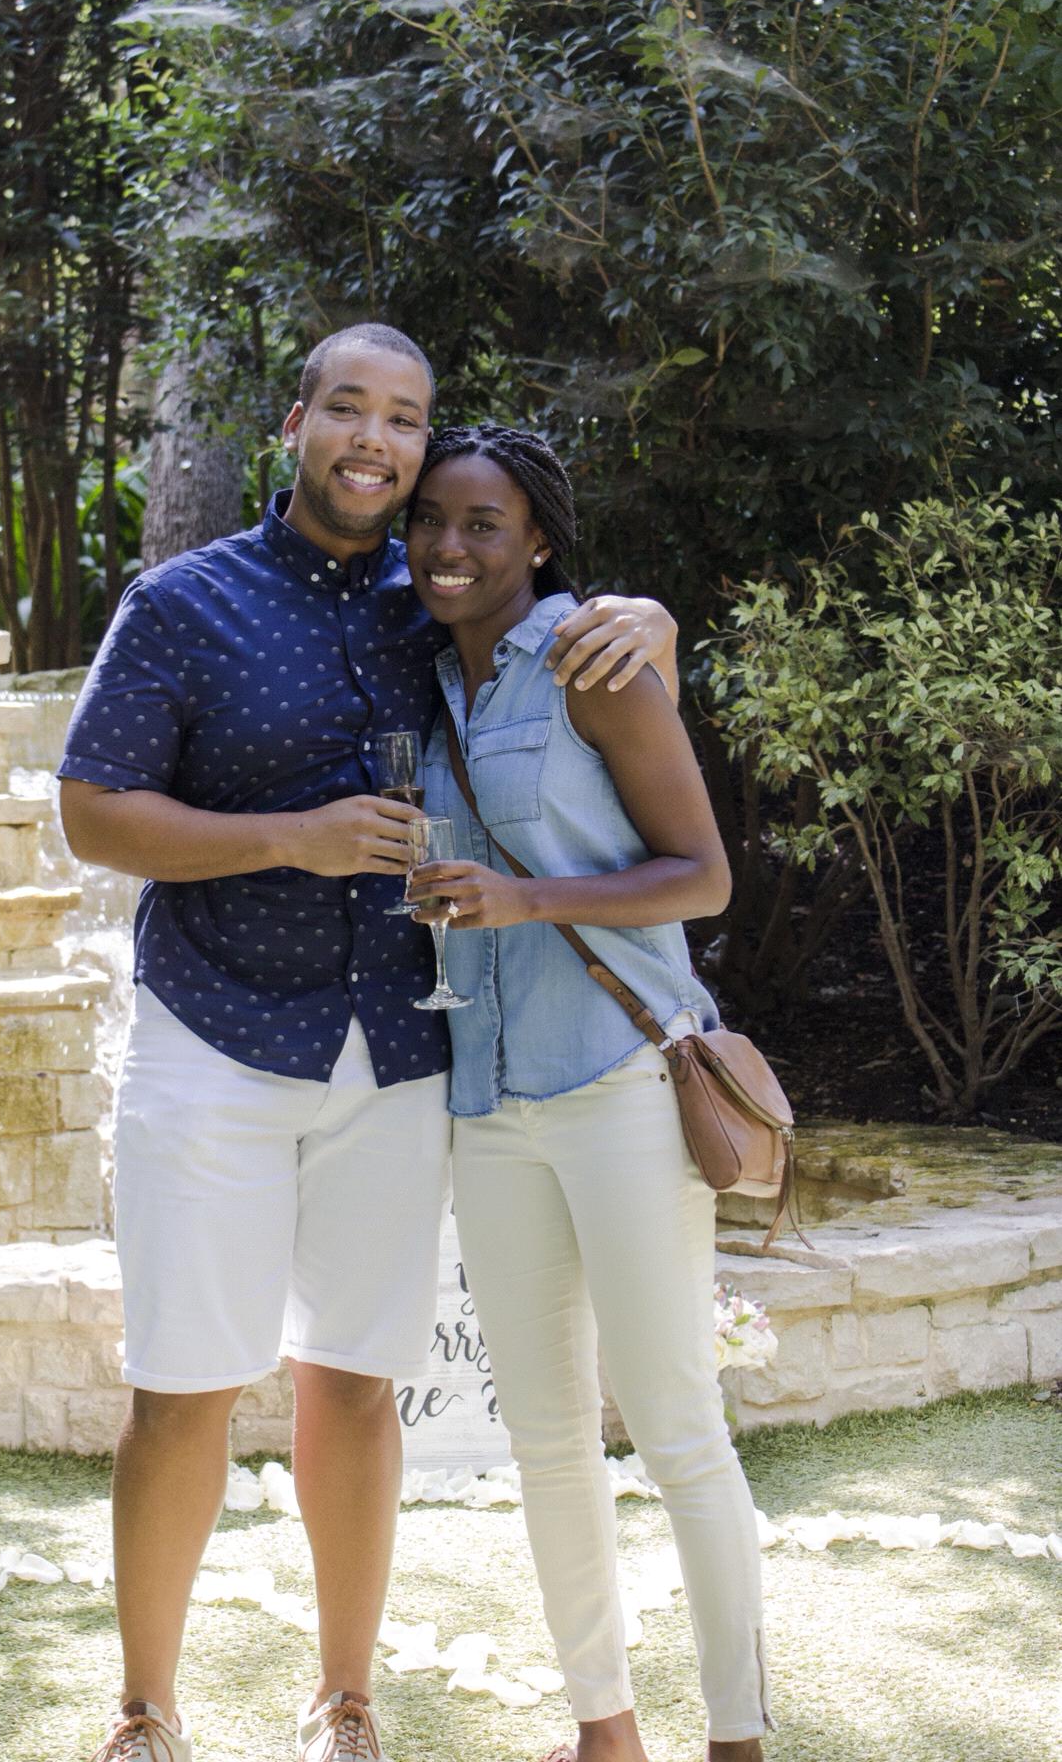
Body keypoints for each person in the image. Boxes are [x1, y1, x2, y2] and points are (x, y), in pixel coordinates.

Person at [56, 325, 680, 1762]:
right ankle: (145, 1712)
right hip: (213, 1034)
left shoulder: (447, 601)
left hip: (396, 1048)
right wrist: (294, 836)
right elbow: (93, 813)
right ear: (296, 426)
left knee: (352, 1378)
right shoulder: (181, 603)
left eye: (404, 419)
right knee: (183, 1385)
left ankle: (345, 1702)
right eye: (349, 407)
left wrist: (647, 616)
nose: (375, 439)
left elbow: (583, 656)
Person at [405, 422, 770, 1762]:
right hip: (487, 1100)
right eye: (429, 519)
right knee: (547, 1440)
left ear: (540, 541)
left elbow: (703, 876)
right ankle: (603, 1731)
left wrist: (524, 899)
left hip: (619, 1079)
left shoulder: (590, 660)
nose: (448, 545)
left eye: (482, 523)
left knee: (676, 1427)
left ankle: (734, 1737)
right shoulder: (418, 674)